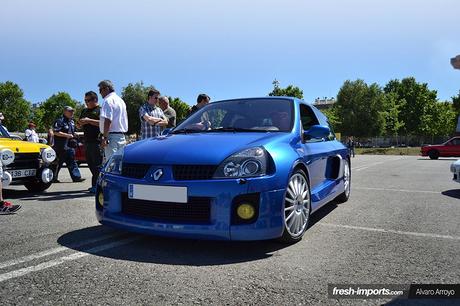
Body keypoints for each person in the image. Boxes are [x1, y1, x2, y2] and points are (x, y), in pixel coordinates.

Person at [52, 106, 85, 183]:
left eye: (73, 111)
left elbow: (72, 132)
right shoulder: (59, 121)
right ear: (65, 112)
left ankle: (76, 177)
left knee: (72, 162)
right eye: (70, 111)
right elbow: (56, 132)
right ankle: (53, 178)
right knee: (57, 163)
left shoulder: (72, 122)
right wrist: (67, 135)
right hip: (61, 147)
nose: (72, 113)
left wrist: (75, 134)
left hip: (70, 146)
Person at [78, 91, 103, 193]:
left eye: (88, 100)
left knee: (97, 165)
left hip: (97, 141)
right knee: (91, 165)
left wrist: (89, 121)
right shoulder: (84, 111)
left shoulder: (100, 110)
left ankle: (97, 186)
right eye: (85, 100)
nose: (86, 102)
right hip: (87, 141)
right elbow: (79, 124)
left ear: (95, 100)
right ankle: (95, 185)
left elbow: (104, 123)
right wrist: (79, 123)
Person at [98, 80, 128, 161]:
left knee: (111, 164)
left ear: (106, 89)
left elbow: (108, 120)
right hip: (121, 136)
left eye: (100, 90)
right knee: (120, 164)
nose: (100, 93)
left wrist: (104, 137)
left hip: (111, 137)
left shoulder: (108, 100)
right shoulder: (121, 101)